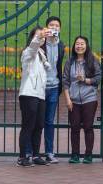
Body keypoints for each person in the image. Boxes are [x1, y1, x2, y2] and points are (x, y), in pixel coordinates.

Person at [62, 36, 102, 164]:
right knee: (74, 127)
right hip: (73, 99)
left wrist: (85, 80)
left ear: (86, 45)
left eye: (82, 44)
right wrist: (68, 99)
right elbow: (65, 81)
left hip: (89, 98)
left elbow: (98, 78)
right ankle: (75, 155)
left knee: (88, 127)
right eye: (77, 44)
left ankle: (88, 155)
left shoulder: (92, 60)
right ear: (74, 46)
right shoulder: (70, 62)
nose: (79, 46)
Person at [17, 26, 53, 167]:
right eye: (38, 36)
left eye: (43, 36)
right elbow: (33, 48)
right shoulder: (28, 52)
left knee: (39, 125)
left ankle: (36, 155)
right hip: (28, 93)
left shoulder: (42, 54)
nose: (42, 38)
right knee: (28, 125)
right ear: (33, 37)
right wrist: (38, 37)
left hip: (40, 95)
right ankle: (22, 157)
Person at [42, 16, 65, 164]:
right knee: (37, 120)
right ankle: (30, 152)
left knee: (49, 121)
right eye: (51, 25)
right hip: (40, 87)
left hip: (54, 87)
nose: (54, 27)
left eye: (57, 25)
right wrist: (41, 38)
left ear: (60, 29)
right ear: (47, 27)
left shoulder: (61, 45)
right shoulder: (40, 42)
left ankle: (49, 152)